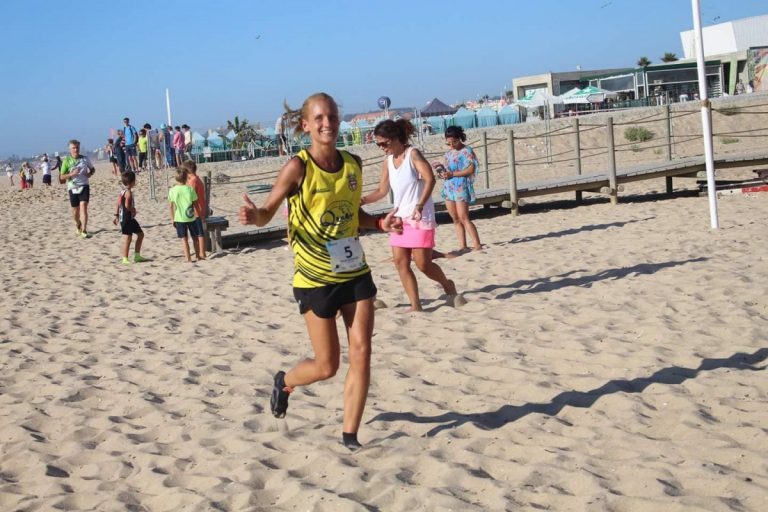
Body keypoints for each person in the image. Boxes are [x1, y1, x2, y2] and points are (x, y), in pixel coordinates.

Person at [239, 92, 400, 450]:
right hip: (315, 279)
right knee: (327, 366)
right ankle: (284, 383)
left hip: (355, 271)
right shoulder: (298, 167)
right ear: (306, 125)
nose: (328, 123)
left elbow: (353, 214)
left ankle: (350, 435)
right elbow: (267, 212)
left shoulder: (353, 164)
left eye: (332, 117)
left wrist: (379, 223)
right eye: (320, 118)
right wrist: (254, 216)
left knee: (362, 352)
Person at [362, 119, 462, 312]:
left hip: (419, 218)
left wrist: (420, 205)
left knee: (424, 264)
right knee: (401, 263)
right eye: (378, 144)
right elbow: (382, 190)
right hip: (399, 218)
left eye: (384, 143)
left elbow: (430, 179)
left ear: (395, 138)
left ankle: (447, 285)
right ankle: (415, 304)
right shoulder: (388, 161)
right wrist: (363, 200)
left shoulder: (413, 154)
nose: (381, 147)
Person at [438, 126, 482, 252]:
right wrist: (442, 173)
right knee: (455, 218)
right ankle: (463, 246)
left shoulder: (466, 151)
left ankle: (477, 244)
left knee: (464, 217)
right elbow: (447, 169)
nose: (451, 145)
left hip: (461, 186)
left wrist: (453, 174)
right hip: (449, 187)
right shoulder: (448, 153)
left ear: (459, 138)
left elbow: (471, 169)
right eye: (449, 143)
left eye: (454, 142)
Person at [60, 139, 96, 238]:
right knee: (75, 211)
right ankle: (78, 223)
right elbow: (61, 177)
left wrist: (90, 173)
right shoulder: (66, 161)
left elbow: (93, 169)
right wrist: (71, 174)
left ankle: (84, 230)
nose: (76, 150)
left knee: (83, 206)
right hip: (73, 187)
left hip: (84, 185)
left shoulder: (85, 159)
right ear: (70, 149)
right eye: (74, 148)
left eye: (77, 148)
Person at [168, 167, 202, 262]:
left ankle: (188, 258)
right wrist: (199, 215)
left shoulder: (172, 190)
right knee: (195, 238)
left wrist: (172, 218)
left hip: (179, 218)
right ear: (186, 177)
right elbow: (196, 204)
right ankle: (198, 256)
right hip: (191, 217)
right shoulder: (190, 189)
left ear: (176, 178)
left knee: (184, 239)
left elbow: (170, 206)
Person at [113, 171, 148, 265]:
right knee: (128, 237)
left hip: (126, 218)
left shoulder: (122, 191)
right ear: (132, 182)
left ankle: (137, 255)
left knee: (140, 234)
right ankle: (125, 258)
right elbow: (127, 205)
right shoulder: (128, 193)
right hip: (127, 218)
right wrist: (133, 210)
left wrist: (116, 215)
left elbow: (117, 204)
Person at [182, 160, 207, 261]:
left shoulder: (193, 181)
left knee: (199, 233)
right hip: (200, 208)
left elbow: (190, 196)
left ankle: (202, 253)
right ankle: (200, 253)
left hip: (196, 210)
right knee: (198, 233)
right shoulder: (197, 179)